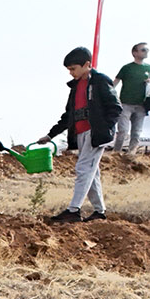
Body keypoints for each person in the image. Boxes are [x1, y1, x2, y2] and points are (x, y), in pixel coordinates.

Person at [40, 46, 120, 224]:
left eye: (73, 69)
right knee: (91, 173)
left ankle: (73, 210)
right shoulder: (75, 87)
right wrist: (50, 135)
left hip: (95, 134)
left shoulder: (100, 81)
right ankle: (99, 211)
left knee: (83, 169)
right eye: (69, 70)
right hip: (81, 133)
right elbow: (68, 115)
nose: (71, 73)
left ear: (87, 65)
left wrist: (104, 130)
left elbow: (115, 108)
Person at [112, 42, 150, 155]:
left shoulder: (149, 68)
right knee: (123, 131)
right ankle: (116, 153)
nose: (146, 52)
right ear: (134, 53)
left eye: (147, 50)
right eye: (143, 50)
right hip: (126, 104)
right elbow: (115, 82)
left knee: (136, 132)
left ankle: (131, 154)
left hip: (141, 105)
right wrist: (108, 94)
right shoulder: (127, 68)